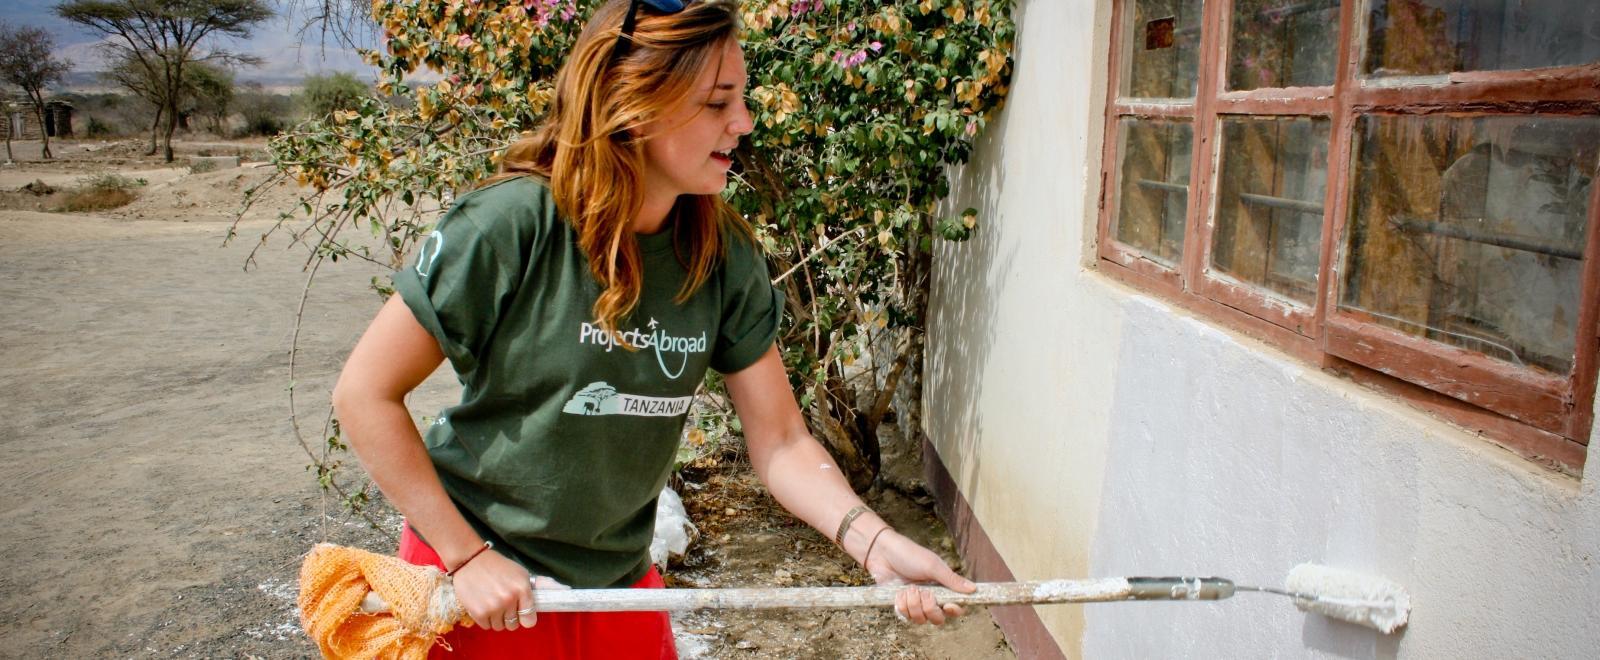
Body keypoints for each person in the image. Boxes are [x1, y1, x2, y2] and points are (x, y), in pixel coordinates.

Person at [331, 0, 975, 657]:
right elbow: (364, 394)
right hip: (485, 582)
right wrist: (464, 557)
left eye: (742, 99)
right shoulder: (509, 227)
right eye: (718, 102)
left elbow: (781, 442)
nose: (744, 123)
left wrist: (875, 541)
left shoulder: (722, 256)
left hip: (614, 581)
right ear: (634, 104)